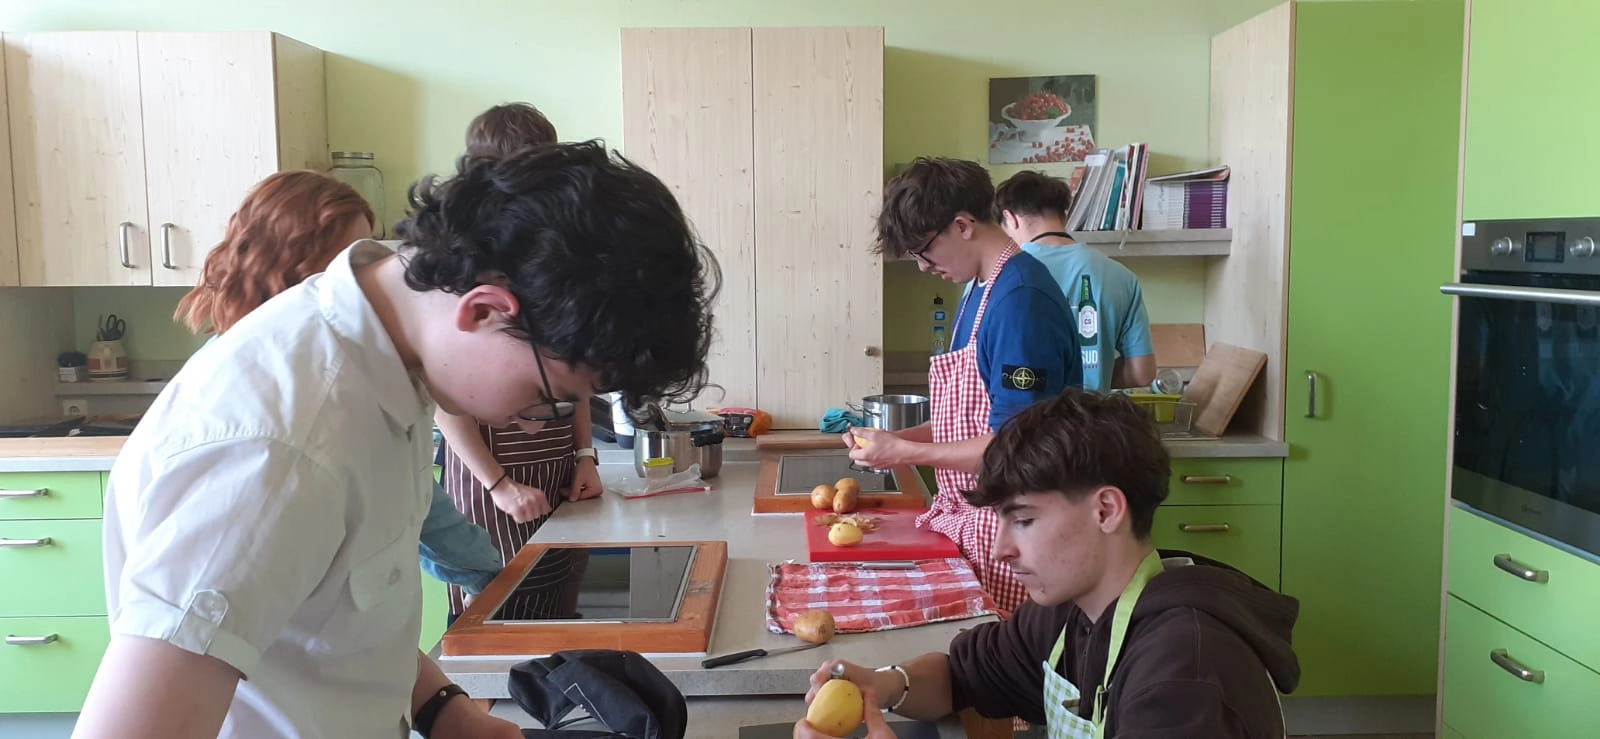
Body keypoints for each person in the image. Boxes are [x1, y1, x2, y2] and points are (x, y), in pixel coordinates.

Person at [76, 141, 718, 739]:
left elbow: (338, 615)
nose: (541, 418)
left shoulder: (390, 362)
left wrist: (446, 713)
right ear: (484, 311)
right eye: (550, 396)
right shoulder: (279, 447)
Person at [800, 389, 1299, 738]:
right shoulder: (1072, 612)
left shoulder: (1184, 679)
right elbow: (963, 676)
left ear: (1106, 510)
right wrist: (885, 684)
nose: (1000, 548)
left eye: (1024, 520)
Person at [173, 169, 504, 600]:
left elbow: (415, 496)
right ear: (289, 263)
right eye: (348, 264)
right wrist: (484, 570)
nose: (363, 281)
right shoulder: (251, 382)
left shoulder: (362, 364)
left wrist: (484, 570)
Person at [846, 156, 1081, 613]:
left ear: (962, 226)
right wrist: (895, 439)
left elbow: (1015, 447)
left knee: (1012, 651)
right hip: (981, 518)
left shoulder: (1020, 302)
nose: (922, 267)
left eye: (923, 251)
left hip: (1019, 528)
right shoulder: (979, 290)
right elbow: (966, 422)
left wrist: (904, 453)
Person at [433, 102, 604, 620]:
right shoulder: (462, 263)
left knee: (561, 612)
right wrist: (500, 486)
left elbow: (570, 368)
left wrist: (584, 456)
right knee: (497, 616)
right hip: (491, 478)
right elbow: (444, 398)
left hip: (558, 467)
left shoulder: (550, 254)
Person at [994, 170, 1156, 393]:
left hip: (1025, 412)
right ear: (1064, 215)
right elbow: (1142, 373)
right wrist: (1095, 374)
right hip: (1091, 412)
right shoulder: (1122, 276)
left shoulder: (1000, 274)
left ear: (1010, 218)